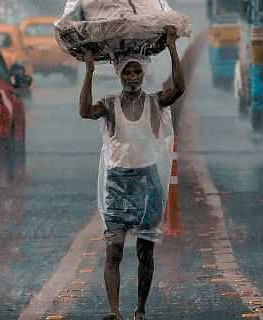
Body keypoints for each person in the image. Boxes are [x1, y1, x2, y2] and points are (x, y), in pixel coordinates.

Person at [79, 27, 185, 320]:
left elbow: (179, 89)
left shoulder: (155, 101)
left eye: (136, 72)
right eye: (127, 73)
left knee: (145, 252)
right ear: (119, 76)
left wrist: (173, 48)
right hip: (117, 186)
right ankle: (114, 312)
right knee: (113, 251)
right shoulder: (110, 105)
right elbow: (85, 110)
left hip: (148, 184)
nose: (132, 77)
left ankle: (140, 309)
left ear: (143, 73)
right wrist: (88, 71)